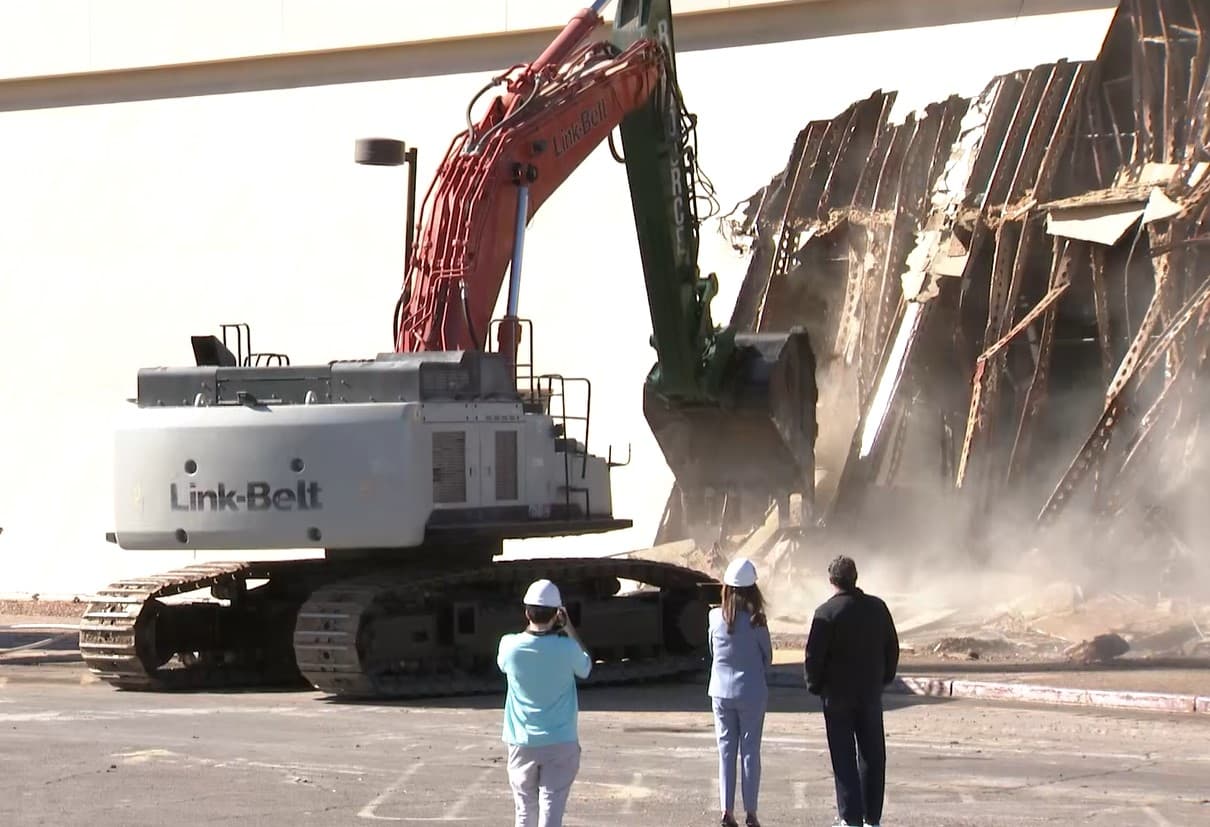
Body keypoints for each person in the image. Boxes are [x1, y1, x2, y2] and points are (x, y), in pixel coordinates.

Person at [804, 555, 899, 827]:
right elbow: (892, 647)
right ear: (855, 578)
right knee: (872, 755)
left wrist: (815, 685)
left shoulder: (826, 613)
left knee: (843, 757)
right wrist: (884, 678)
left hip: (836, 697)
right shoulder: (877, 608)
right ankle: (873, 818)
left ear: (831, 580)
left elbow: (813, 656)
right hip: (869, 693)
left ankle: (850, 817)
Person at [496, 578, 592, 827]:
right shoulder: (567, 648)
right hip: (561, 741)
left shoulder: (510, 646)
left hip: (522, 741)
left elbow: (502, 665)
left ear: (527, 612)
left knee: (524, 810)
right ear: (557, 614)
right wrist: (568, 626)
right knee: (552, 809)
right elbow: (585, 667)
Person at [707, 557, 773, 827]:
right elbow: (767, 657)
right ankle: (751, 813)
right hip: (751, 692)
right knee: (749, 751)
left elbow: (713, 651)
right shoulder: (758, 622)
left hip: (720, 692)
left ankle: (726, 811)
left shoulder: (713, 617)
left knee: (725, 750)